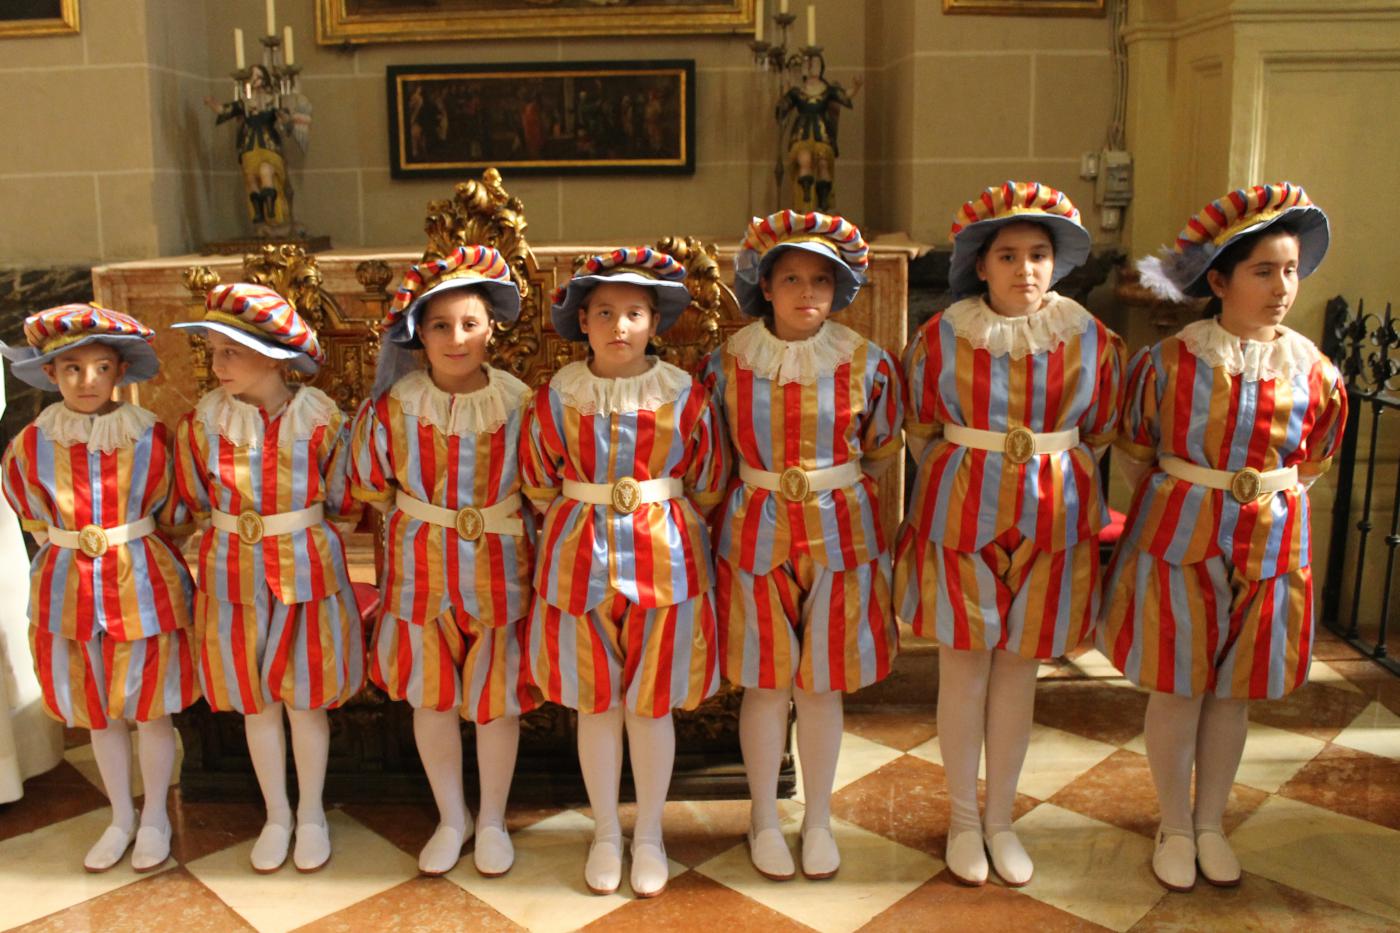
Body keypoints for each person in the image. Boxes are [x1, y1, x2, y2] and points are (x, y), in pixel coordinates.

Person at [1101, 182, 1347, 892]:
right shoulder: (1168, 363)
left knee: (1232, 692)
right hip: (1179, 540)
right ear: (1220, 279)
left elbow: (1314, 459)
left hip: (1268, 546)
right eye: (1262, 271)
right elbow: (1138, 448)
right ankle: (1173, 821)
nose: (1280, 287)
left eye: (1291, 269)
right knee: (1179, 687)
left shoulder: (1316, 373)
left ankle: (1212, 820)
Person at [895, 181, 1125, 887]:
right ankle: (964, 817)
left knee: (1020, 673)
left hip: (1052, 521)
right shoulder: (940, 337)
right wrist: (970, 478)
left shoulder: (1092, 338)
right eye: (1008, 254)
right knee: (964, 670)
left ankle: (1002, 817)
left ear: (1055, 264)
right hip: (961, 514)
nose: (1024, 268)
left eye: (1038, 254)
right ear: (982, 265)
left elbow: (1103, 431)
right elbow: (922, 430)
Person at [704, 210, 903, 882]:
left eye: (821, 278)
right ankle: (763, 815)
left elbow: (877, 451)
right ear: (766, 283)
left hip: (842, 534)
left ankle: (817, 817)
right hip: (754, 530)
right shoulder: (727, 362)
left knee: (821, 685)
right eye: (791, 277)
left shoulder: (867, 362)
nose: (807, 291)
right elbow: (716, 454)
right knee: (765, 683)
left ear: (841, 286)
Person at [522, 248, 727, 898]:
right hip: (579, 560)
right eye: (604, 312)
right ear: (582, 320)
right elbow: (536, 480)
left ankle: (650, 834)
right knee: (597, 702)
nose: (619, 326)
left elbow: (710, 479)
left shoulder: (686, 396)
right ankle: (606, 829)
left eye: (633, 312)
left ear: (654, 321)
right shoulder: (557, 396)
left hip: (665, 559)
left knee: (650, 702)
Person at [351, 245, 540, 877]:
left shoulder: (522, 405)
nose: (456, 339)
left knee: (494, 701)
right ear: (418, 334)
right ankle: (451, 814)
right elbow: (373, 488)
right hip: (419, 576)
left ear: (492, 327)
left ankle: (491, 818)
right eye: (440, 326)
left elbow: (540, 486)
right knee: (431, 699)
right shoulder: (392, 409)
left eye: (470, 323)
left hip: (498, 572)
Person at [172, 283, 363, 874]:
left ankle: (310, 812)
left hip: (306, 571)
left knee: (305, 700)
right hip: (233, 575)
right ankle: (276, 812)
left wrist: (300, 528)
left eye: (231, 351)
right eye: (212, 350)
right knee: (256, 702)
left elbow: (343, 500)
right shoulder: (204, 422)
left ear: (275, 355)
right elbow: (194, 498)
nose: (217, 364)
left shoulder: (321, 418)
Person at [1, 304, 199, 872]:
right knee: (100, 712)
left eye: (101, 367)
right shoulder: (31, 444)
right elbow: (29, 511)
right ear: (49, 374)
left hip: (142, 583)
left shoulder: (150, 436)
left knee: (151, 708)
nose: (87, 381)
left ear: (120, 371)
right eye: (71, 369)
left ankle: (157, 814)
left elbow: (175, 506)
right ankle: (121, 815)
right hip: (69, 590)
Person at [776, 55, 862, 212]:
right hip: (802, 132)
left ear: (821, 67)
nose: (811, 67)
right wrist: (785, 89)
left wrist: (856, 87)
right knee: (805, 159)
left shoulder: (828, 90)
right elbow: (783, 107)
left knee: (823, 161)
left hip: (821, 133)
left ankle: (823, 199)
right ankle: (806, 197)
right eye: (808, 64)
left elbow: (845, 95)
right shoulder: (798, 91)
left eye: (815, 64)